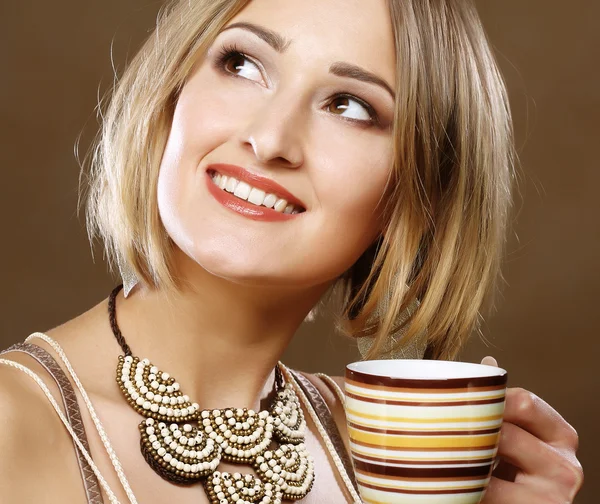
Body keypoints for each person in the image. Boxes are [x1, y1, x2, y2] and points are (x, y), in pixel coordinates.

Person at [0, 0, 583, 502]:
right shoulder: (12, 425)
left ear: (416, 195)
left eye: (349, 106)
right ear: (171, 91)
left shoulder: (383, 457)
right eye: (242, 64)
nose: (271, 138)